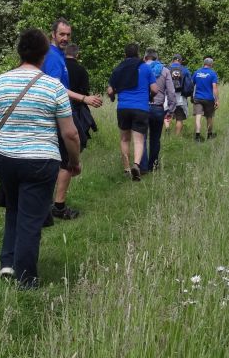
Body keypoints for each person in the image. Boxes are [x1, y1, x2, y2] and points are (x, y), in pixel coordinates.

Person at [0, 29, 81, 288]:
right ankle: (26, 279)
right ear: (44, 55)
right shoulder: (54, 87)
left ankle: (8, 263)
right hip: (40, 161)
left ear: (19, 51)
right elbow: (70, 133)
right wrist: (74, 161)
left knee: (14, 207)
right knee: (31, 218)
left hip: (5, 160)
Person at [41, 18, 102, 220]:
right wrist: (84, 98)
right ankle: (57, 207)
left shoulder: (58, 56)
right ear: (53, 34)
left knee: (57, 160)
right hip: (55, 118)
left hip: (58, 116)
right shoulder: (52, 57)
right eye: (62, 34)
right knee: (66, 160)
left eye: (68, 35)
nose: (65, 38)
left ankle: (47, 207)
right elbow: (55, 88)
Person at [107, 43, 159, 181]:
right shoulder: (145, 68)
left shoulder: (119, 68)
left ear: (125, 55)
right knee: (139, 140)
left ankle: (126, 168)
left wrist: (113, 97)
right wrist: (150, 96)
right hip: (141, 108)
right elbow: (155, 89)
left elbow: (110, 90)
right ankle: (136, 165)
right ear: (138, 54)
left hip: (123, 107)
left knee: (125, 139)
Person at [139, 49, 176, 173]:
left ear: (145, 57)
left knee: (141, 138)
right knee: (155, 139)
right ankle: (153, 166)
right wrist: (170, 110)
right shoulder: (165, 70)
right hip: (158, 108)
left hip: (142, 107)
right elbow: (171, 92)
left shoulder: (139, 69)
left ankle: (142, 166)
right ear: (157, 58)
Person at [65, 44, 98, 150]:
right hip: (77, 107)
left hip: (60, 104)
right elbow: (85, 91)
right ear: (77, 55)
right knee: (77, 136)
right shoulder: (81, 70)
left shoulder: (61, 67)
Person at [191, 57, 219, 142]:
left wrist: (192, 96)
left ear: (204, 63)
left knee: (198, 117)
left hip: (198, 98)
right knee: (209, 117)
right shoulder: (213, 73)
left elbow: (192, 85)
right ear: (211, 64)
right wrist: (217, 100)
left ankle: (197, 136)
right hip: (209, 99)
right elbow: (214, 87)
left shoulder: (197, 72)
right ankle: (209, 135)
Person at [167, 54, 193, 136]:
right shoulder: (185, 70)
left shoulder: (167, 69)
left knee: (167, 115)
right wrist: (188, 94)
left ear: (173, 60)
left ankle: (167, 130)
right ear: (180, 61)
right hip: (180, 97)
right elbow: (189, 85)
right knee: (179, 118)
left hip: (168, 96)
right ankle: (177, 137)